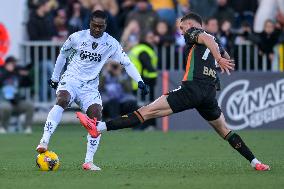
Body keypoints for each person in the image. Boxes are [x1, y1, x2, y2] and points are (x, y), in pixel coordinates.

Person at [76, 12, 270, 171]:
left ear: (192, 24)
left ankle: (99, 128)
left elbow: (204, 37)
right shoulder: (215, 40)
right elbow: (219, 47)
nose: (181, 31)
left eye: (182, 26)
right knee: (225, 131)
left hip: (192, 89)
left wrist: (218, 58)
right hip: (209, 94)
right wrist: (220, 55)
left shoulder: (195, 32)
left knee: (146, 112)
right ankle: (256, 162)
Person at [36, 10, 149, 171]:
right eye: (94, 25)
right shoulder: (76, 37)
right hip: (71, 79)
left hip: (90, 87)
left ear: (105, 26)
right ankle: (44, 140)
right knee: (62, 99)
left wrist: (139, 81)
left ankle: (88, 161)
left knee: (96, 117)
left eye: (101, 26)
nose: (97, 29)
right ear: (89, 23)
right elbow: (62, 56)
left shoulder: (111, 43)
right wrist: (55, 78)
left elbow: (127, 63)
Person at [0, 56, 34, 134]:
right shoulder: (2, 73)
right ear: (7, 64)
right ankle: (3, 128)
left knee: (29, 105)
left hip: (16, 102)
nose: (14, 65)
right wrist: (8, 72)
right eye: (12, 63)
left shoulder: (16, 75)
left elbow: (29, 83)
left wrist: (26, 75)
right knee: (6, 107)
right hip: (4, 102)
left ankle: (27, 128)